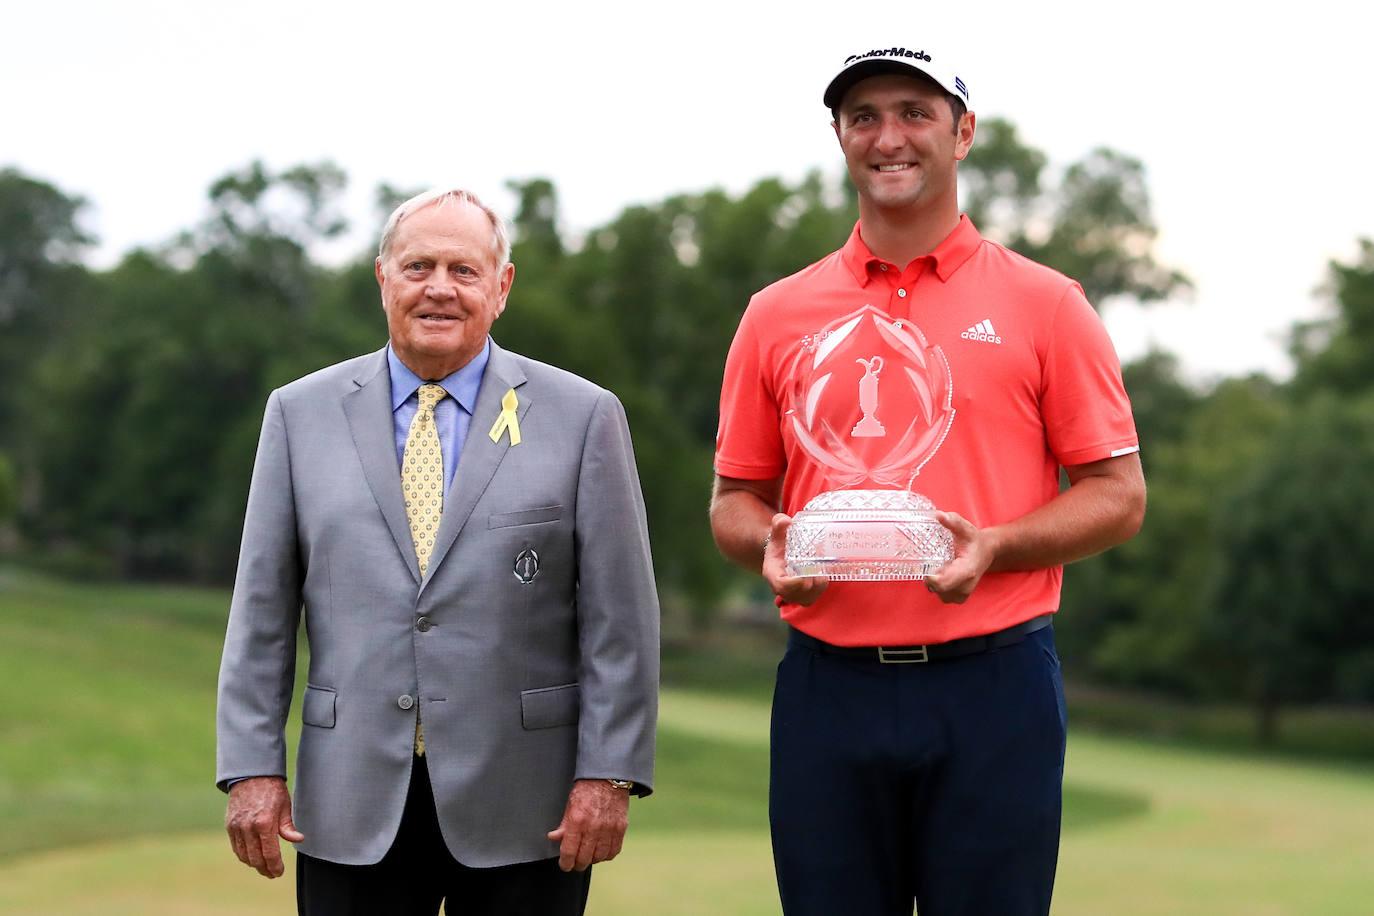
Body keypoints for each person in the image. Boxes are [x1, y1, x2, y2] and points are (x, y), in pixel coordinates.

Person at [710, 46, 1146, 915]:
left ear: (963, 132)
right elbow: (734, 502)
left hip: (994, 685)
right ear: (840, 136)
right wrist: (770, 545)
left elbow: (1119, 495)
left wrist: (996, 546)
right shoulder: (775, 313)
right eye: (864, 117)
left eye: (915, 113)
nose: (888, 138)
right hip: (828, 686)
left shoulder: (1048, 304)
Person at [216, 187, 659, 916]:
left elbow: (622, 621)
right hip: (350, 802)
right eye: (418, 266)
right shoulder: (297, 415)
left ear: (502, 286)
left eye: (464, 270)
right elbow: (260, 613)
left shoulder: (584, 417)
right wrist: (251, 769)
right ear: (383, 277)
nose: (440, 289)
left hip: (528, 805)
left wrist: (609, 774)